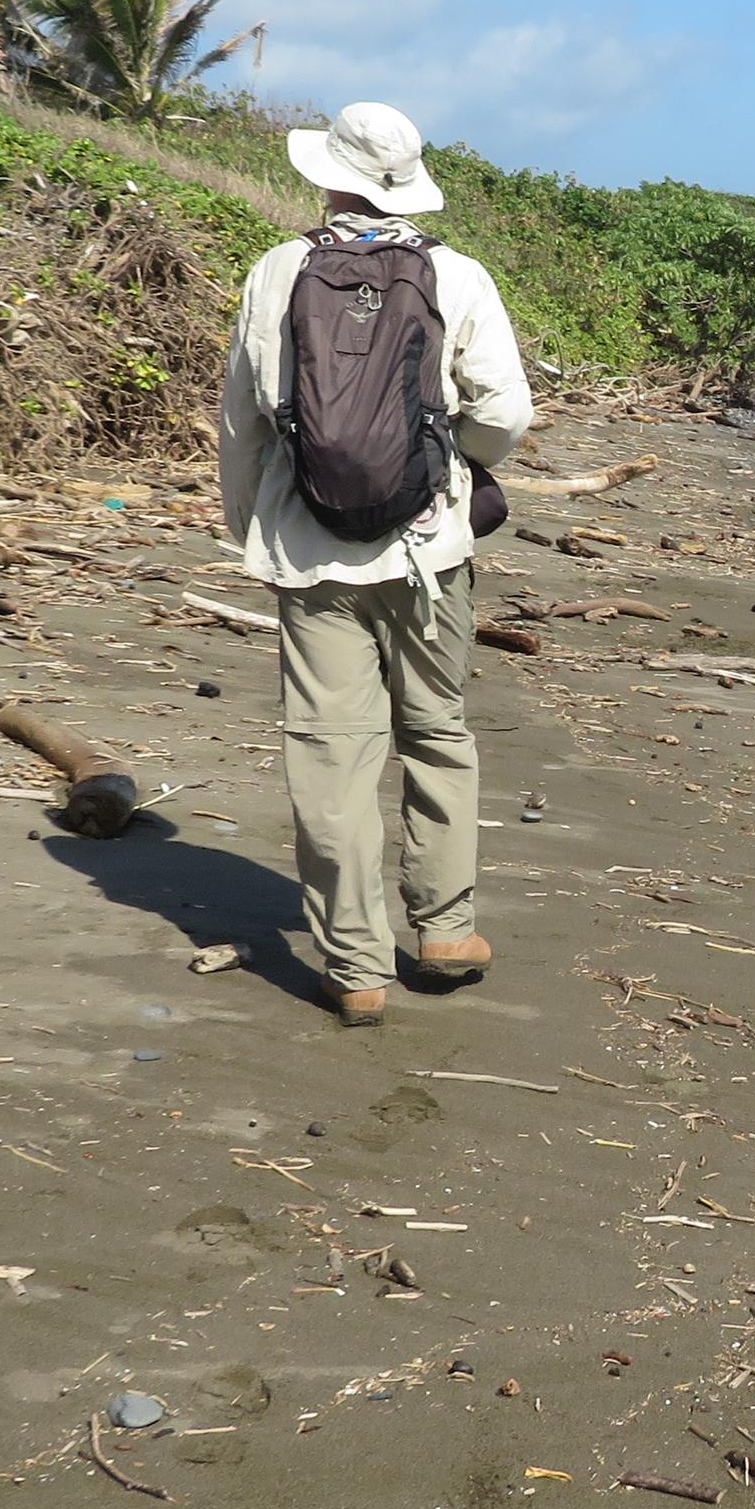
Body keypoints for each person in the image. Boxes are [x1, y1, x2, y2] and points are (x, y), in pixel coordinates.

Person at [216, 101, 536, 1027]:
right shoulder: (458, 275)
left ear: (328, 175)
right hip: (428, 547)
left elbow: (243, 421)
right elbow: (506, 410)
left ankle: (355, 967)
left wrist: (254, 527)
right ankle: (443, 931)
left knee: (331, 753)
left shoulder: (276, 274)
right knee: (437, 732)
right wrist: (450, 466)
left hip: (310, 550)